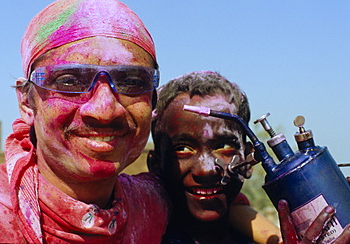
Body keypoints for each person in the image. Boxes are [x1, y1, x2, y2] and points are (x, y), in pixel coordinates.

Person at [0, 0, 169, 243]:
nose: (104, 111)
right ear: (27, 102)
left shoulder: (155, 205)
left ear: (152, 101)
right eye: (70, 81)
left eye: (131, 82)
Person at [148, 71, 350, 244]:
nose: (207, 169)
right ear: (155, 164)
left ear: (248, 162)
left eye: (224, 147)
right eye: (183, 149)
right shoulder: (138, 232)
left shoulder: (249, 234)